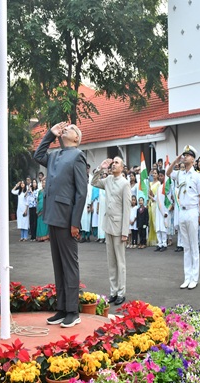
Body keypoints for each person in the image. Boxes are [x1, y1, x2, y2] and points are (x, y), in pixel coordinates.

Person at [33, 122, 87, 328]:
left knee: (69, 265)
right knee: (58, 265)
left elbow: (81, 192)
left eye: (69, 129)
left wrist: (75, 223)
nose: (65, 130)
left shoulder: (78, 155)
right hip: (52, 215)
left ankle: (73, 311)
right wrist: (50, 134)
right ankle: (63, 308)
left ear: (76, 138)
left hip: (66, 218)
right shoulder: (55, 155)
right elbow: (38, 156)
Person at [91, 157, 132, 306]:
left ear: (122, 168)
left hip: (119, 226)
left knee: (120, 262)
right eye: (113, 162)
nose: (113, 164)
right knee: (111, 262)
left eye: (117, 163)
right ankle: (113, 291)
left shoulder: (125, 183)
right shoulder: (108, 180)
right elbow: (93, 182)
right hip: (108, 224)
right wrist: (100, 168)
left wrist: (125, 231)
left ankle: (121, 292)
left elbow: (126, 209)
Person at [169, 147, 200, 290]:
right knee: (186, 247)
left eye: (188, 155)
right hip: (182, 212)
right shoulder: (180, 174)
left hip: (192, 211)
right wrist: (175, 161)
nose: (185, 157)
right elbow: (168, 173)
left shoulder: (197, 176)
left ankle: (194, 277)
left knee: (194, 246)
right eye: (184, 155)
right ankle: (187, 277)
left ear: (193, 160)